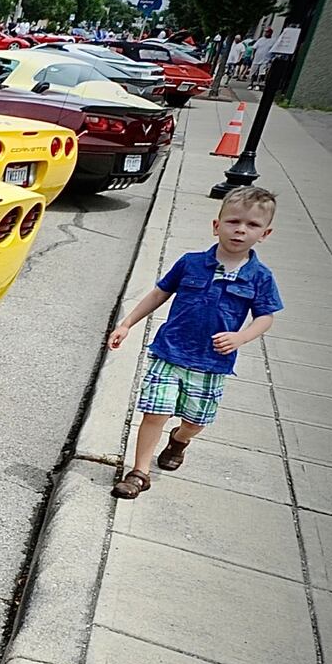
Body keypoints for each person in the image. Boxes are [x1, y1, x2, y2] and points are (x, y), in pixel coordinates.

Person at [106, 187, 284, 500]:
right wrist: (126, 323)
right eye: (233, 221)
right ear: (217, 226)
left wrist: (240, 337)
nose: (241, 229)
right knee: (154, 413)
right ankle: (139, 473)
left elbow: (265, 317)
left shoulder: (260, 278)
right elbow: (159, 293)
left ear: (265, 234)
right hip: (170, 352)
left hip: (211, 363)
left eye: (252, 225)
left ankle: (180, 439)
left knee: (196, 420)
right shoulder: (190, 263)